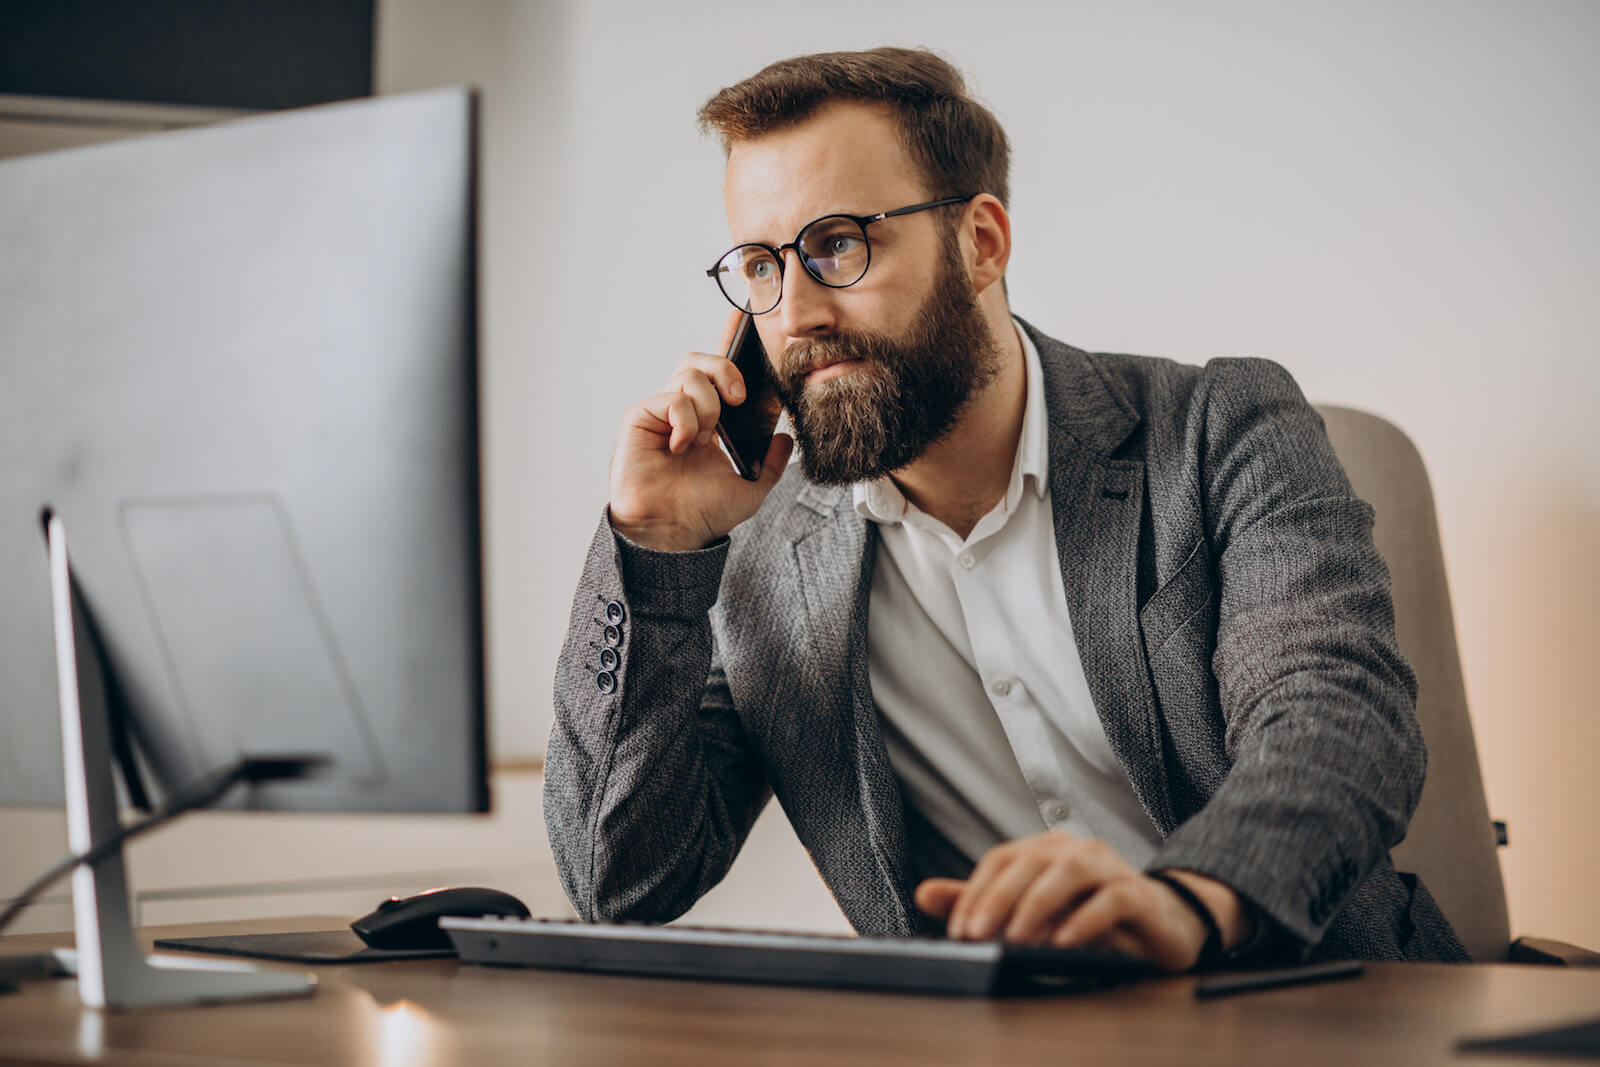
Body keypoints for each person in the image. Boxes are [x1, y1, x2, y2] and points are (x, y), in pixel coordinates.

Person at [544, 46, 1469, 969]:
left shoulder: (1219, 429)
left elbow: (1338, 716)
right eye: (761, 264)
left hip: (1311, 1013)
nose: (795, 314)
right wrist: (656, 546)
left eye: (837, 245)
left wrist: (1191, 899)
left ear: (981, 243)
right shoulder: (757, 543)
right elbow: (621, 878)